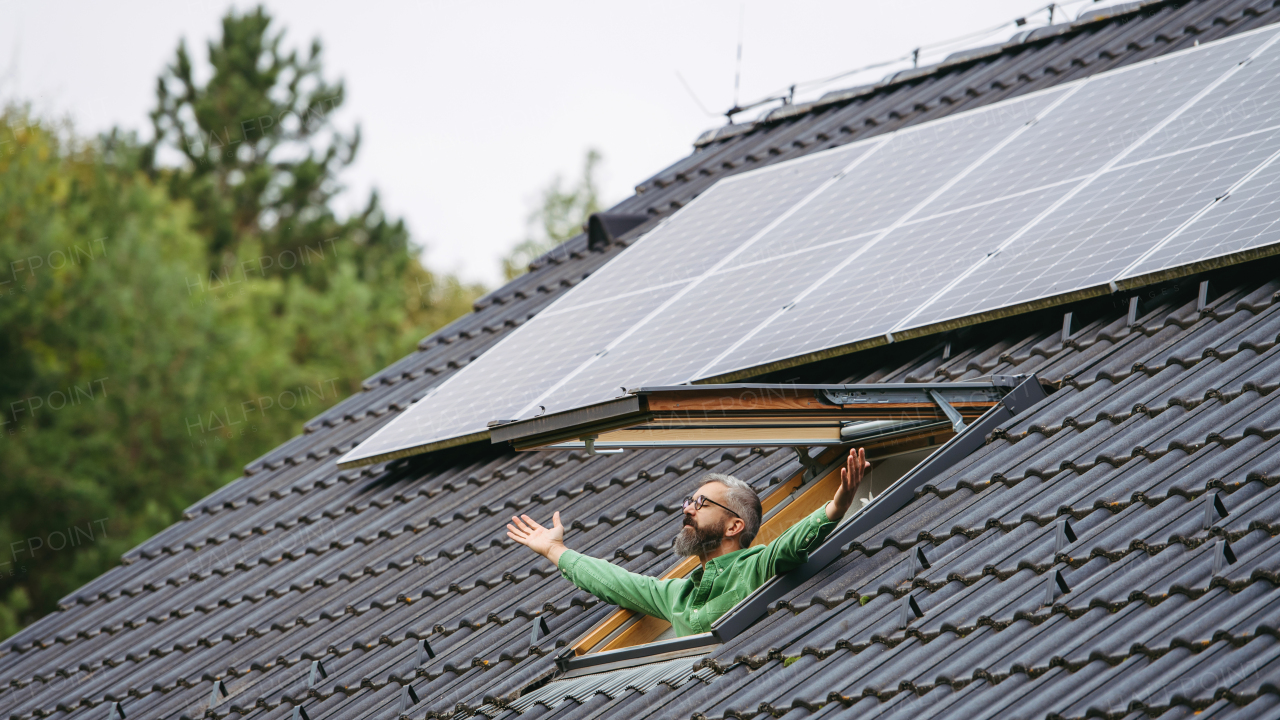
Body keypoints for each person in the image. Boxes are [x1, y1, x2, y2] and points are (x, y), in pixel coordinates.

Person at [506, 447, 871, 637]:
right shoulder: (676, 595)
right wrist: (555, 549)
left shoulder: (757, 567)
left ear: (734, 526)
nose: (688, 510)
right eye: (688, 501)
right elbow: (615, 582)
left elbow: (789, 546)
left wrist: (836, 506)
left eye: (701, 503)